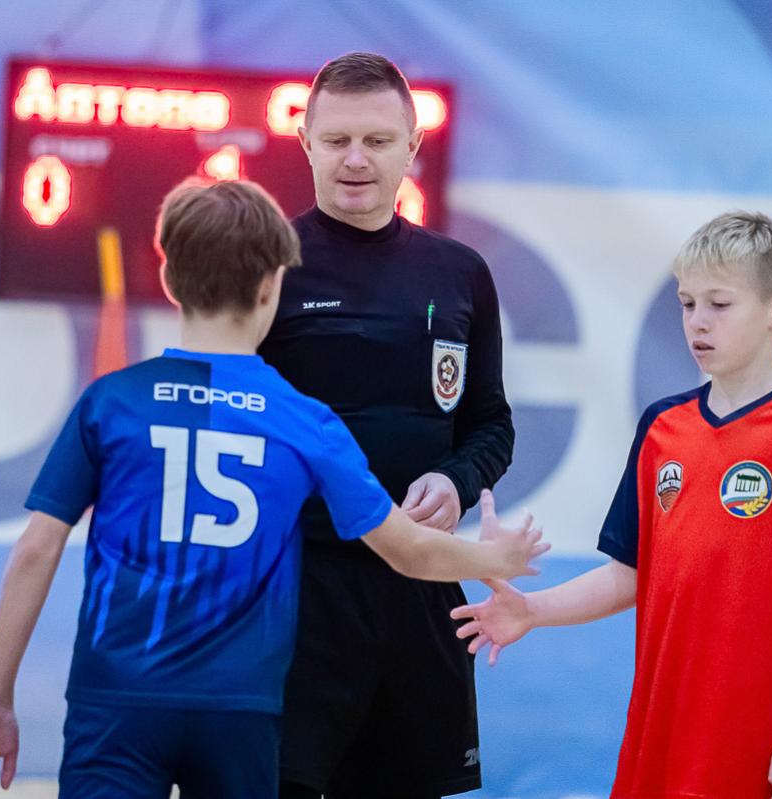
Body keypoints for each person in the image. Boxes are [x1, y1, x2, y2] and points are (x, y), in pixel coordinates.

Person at [0, 178, 548, 799]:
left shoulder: (112, 403)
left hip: (119, 697)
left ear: (167, 278)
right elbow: (407, 549)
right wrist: (494, 557)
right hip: (241, 706)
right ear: (272, 287)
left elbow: (35, 551)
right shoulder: (305, 421)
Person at [452, 211, 772, 799]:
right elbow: (629, 574)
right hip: (660, 730)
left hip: (759, 737)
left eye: (719, 304)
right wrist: (531, 610)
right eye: (687, 303)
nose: (697, 321)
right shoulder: (662, 427)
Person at [258, 52, 515, 798]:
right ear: (304, 143)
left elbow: (491, 424)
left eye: (376, 140)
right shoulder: (265, 266)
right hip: (295, 595)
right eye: (336, 140)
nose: (356, 159)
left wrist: (455, 479)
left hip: (421, 592)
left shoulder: (460, 272)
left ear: (412, 146)